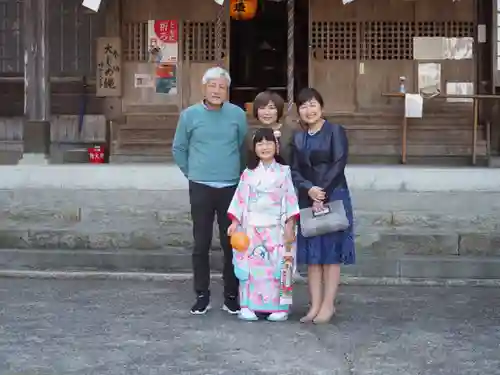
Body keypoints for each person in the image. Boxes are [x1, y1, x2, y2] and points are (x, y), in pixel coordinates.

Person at [172, 67, 248, 315]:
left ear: (228, 90)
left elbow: (242, 147)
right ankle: (201, 294)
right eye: (213, 86)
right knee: (201, 242)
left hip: (230, 186)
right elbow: (179, 148)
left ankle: (231, 295)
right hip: (200, 186)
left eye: (222, 87)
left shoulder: (237, 114)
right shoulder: (189, 115)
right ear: (204, 88)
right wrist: (192, 172)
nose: (217, 91)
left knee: (231, 243)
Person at [290, 88, 356, 324]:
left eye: (312, 104)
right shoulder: (298, 137)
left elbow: (339, 162)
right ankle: (314, 305)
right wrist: (309, 189)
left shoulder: (335, 131)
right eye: (303, 106)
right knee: (313, 255)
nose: (309, 110)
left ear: (321, 107)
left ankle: (328, 305)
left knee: (331, 255)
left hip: (334, 194)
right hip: (308, 196)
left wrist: (322, 192)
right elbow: (294, 169)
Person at [227, 127, 300, 322]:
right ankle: (247, 306)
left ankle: (281, 307)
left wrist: (290, 224)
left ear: (276, 146)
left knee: (278, 267)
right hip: (252, 226)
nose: (264, 147)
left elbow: (290, 199)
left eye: (269, 143)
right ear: (254, 148)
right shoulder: (248, 173)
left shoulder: (284, 172)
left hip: (276, 227)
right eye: (260, 143)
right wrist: (235, 221)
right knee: (250, 268)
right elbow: (240, 199)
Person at [247, 90, 296, 165]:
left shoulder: (290, 133)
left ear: (278, 110)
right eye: (262, 108)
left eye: (271, 108)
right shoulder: (250, 134)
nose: (266, 112)